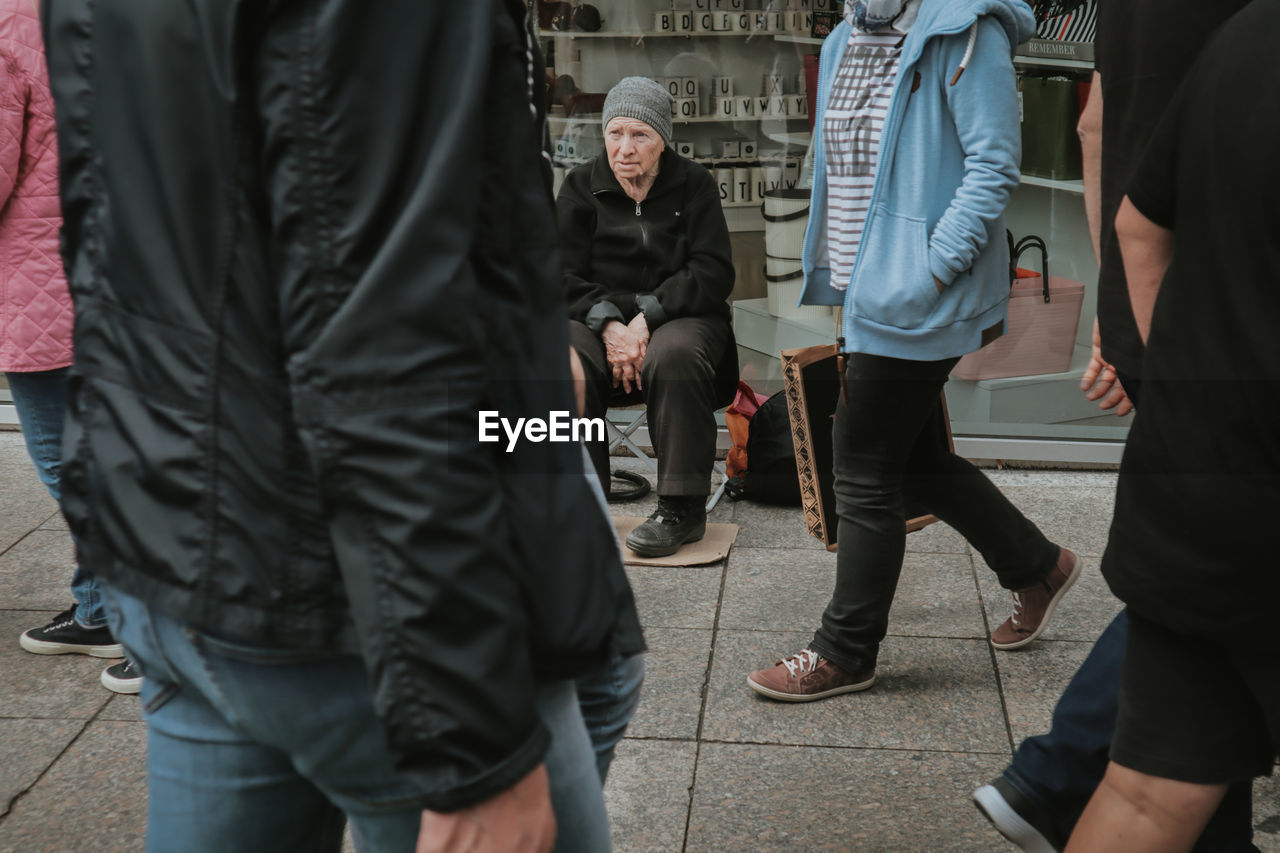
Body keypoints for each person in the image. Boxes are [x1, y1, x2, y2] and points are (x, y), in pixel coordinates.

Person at [42, 1, 644, 851]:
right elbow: (384, 340)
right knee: (600, 679)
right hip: (337, 587)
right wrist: (477, 741)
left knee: (609, 664)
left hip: (181, 525)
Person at [972, 2, 1258, 849]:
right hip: (1224, 327)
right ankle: (1056, 767)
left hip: (1160, 299)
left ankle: (1062, 773)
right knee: (1222, 573)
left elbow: (1096, 128)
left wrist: (1121, 311)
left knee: (1216, 582)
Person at [747, 0, 1078, 703]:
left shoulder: (966, 33)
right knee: (916, 460)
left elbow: (993, 166)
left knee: (863, 465)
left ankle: (845, 650)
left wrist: (929, 269)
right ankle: (1038, 565)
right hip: (867, 293)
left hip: (919, 294)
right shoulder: (844, 37)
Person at [1063, 3, 1280, 847]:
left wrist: (1187, 392)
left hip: (1199, 480)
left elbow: (1132, 218)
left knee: (1151, 793)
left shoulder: (1250, 39)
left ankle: (1044, 769)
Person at [1, 0, 139, 694]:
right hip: (126, 262)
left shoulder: (10, 20)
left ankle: (147, 627)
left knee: (72, 462)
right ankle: (98, 609)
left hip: (43, 276)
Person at [558, 76, 737, 558]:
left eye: (640, 135)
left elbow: (713, 271)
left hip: (680, 315)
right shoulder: (580, 186)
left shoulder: (694, 184)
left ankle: (681, 509)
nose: (625, 149)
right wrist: (610, 322)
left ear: (663, 138)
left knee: (675, 352)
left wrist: (645, 319)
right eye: (615, 134)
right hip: (598, 322)